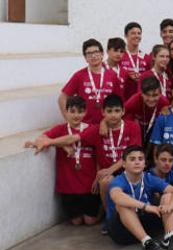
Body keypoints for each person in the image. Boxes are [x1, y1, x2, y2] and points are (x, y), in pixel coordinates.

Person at [24, 96, 99, 226]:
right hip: (68, 186)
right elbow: (41, 138)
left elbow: (70, 139)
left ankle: (102, 211)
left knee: (90, 221)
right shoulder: (60, 129)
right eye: (73, 111)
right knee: (76, 222)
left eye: (80, 111)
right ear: (66, 111)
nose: (76, 115)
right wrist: (62, 145)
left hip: (88, 185)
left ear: (85, 112)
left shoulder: (91, 129)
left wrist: (53, 142)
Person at [105, 145, 173, 250]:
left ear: (145, 163)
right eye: (132, 159)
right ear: (123, 164)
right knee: (123, 205)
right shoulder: (118, 180)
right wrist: (145, 206)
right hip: (121, 230)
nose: (137, 162)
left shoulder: (148, 178)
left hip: (145, 224)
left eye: (140, 159)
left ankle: (170, 238)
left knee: (169, 195)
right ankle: (147, 243)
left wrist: (171, 206)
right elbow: (117, 196)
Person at [79, 95, 142, 231]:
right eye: (109, 111)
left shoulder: (133, 127)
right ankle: (110, 219)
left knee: (108, 176)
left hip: (130, 171)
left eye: (117, 111)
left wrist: (109, 169)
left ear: (123, 111)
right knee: (106, 181)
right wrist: (48, 139)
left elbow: (131, 155)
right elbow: (75, 137)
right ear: (103, 112)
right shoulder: (97, 130)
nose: (113, 115)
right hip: (110, 174)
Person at [60, 39, 123, 125]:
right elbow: (62, 98)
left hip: (107, 125)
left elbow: (119, 101)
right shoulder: (79, 75)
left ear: (102, 54)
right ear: (85, 58)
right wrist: (69, 119)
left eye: (96, 52)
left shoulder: (113, 75)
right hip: (85, 125)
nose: (93, 56)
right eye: (89, 54)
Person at [124, 76, 170, 144]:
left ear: (160, 94)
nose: (151, 99)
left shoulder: (164, 103)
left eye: (155, 95)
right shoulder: (134, 101)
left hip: (153, 132)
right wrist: (105, 122)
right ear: (141, 93)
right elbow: (120, 113)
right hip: (137, 131)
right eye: (147, 95)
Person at [120, 22, 151, 100]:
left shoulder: (147, 57)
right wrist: (127, 75)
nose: (137, 36)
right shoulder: (119, 56)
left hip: (142, 99)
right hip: (124, 98)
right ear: (126, 36)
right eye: (133, 33)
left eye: (139, 33)